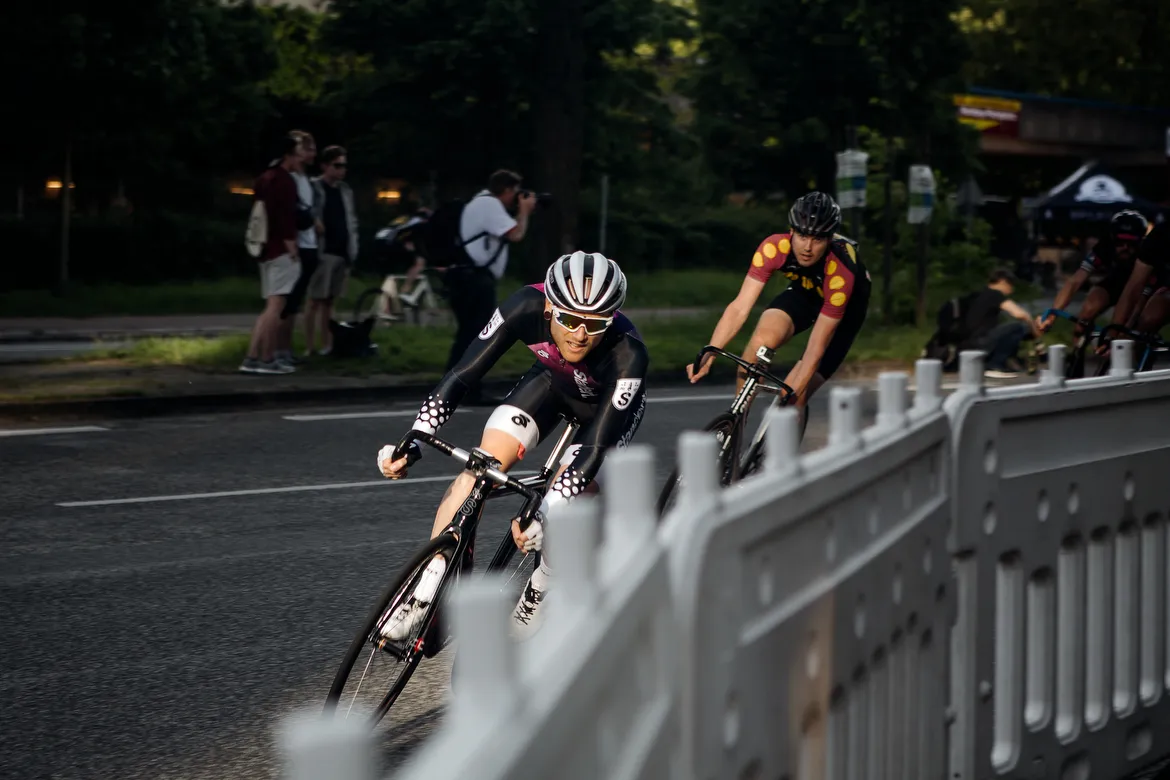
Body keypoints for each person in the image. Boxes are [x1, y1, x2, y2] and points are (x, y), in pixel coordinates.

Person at [376, 252, 646, 638]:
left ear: (612, 319)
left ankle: (542, 585)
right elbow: (462, 375)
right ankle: (427, 588)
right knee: (478, 470)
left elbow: (595, 449)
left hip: (605, 413)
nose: (579, 334)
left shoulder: (629, 356)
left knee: (572, 497)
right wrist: (416, 437)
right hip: (551, 384)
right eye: (569, 319)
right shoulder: (523, 305)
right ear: (549, 306)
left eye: (595, 323)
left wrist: (548, 510)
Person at [686, 191, 870, 435]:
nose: (807, 247)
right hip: (805, 292)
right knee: (762, 338)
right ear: (791, 231)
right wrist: (711, 352)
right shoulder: (774, 248)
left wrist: (796, 394)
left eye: (817, 239)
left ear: (829, 240)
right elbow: (740, 307)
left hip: (844, 310)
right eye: (803, 236)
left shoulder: (840, 271)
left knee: (792, 395)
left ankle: (780, 460)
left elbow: (816, 346)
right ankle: (735, 426)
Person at [445, 170, 537, 401]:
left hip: (468, 278)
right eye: (515, 192)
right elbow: (516, 233)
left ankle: (453, 387)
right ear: (506, 190)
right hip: (476, 280)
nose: (516, 197)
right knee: (477, 336)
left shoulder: (480, 203)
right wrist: (525, 211)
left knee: (468, 334)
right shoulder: (489, 205)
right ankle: (467, 389)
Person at [1038, 210, 1151, 339]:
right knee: (1087, 311)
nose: (1125, 247)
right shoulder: (1104, 246)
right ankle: (1076, 353)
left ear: (1141, 241)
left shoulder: (1148, 250)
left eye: (1131, 244)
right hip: (1115, 282)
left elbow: (1139, 301)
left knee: (1127, 328)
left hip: (1140, 287)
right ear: (1112, 239)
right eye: (1120, 242)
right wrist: (1052, 317)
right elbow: (1074, 282)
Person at [239, 136, 300, 375]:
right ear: (288, 155)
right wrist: (291, 245)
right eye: (296, 154)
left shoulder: (265, 178)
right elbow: (284, 217)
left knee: (269, 306)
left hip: (264, 248)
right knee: (277, 305)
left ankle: (252, 356)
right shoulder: (285, 181)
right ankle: (266, 357)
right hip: (281, 249)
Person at [306, 145, 359, 356]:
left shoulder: (345, 190)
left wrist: (352, 249)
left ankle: (327, 344)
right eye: (337, 165)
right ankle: (310, 347)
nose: (342, 170)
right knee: (314, 299)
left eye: (344, 166)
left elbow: (351, 220)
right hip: (323, 249)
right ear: (325, 166)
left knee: (329, 301)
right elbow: (306, 210)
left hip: (341, 250)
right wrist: (315, 221)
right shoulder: (315, 187)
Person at [277, 130, 319, 367]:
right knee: (287, 301)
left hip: (309, 242)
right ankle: (279, 348)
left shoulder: (304, 178)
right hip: (297, 244)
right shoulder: (288, 178)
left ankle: (287, 348)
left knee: (296, 301)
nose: (307, 154)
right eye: (304, 149)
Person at [961, 269, 1044, 378]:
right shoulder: (995, 294)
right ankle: (995, 364)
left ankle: (1006, 361)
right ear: (1003, 282)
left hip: (968, 342)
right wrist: (1036, 333)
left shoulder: (980, 294)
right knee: (1018, 327)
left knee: (1012, 329)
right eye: (1011, 285)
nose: (1011, 290)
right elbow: (1021, 314)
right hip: (981, 340)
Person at [1106, 219, 1170, 343]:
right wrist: (1113, 337)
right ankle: (1130, 353)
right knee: (1149, 317)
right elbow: (1134, 285)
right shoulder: (1162, 233)